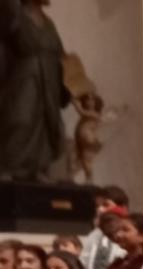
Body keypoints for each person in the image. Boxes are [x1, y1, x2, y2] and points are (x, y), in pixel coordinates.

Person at [0, 0, 65, 180]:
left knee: (44, 127)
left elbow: (62, 56)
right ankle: (9, 168)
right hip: (25, 82)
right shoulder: (15, 16)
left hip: (50, 84)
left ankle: (36, 169)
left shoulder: (49, 22)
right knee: (21, 121)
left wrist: (75, 85)